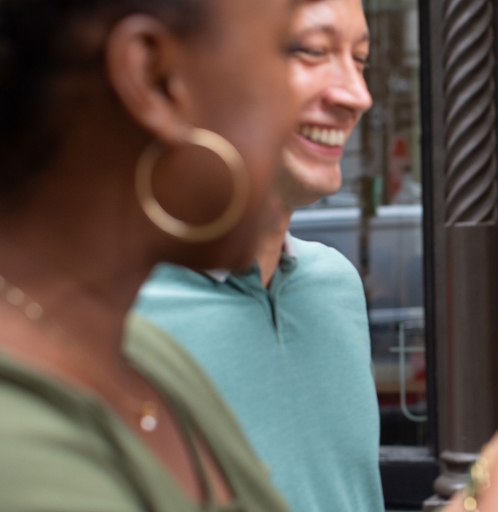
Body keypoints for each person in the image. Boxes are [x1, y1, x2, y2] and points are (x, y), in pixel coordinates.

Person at [0, 1, 498, 511]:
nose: (355, 96)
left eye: (359, 57)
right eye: (294, 49)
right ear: (156, 77)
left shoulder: (146, 362)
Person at [133, 1, 382, 510]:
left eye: (360, 59)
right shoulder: (109, 311)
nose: (357, 96)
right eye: (312, 51)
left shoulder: (335, 283)